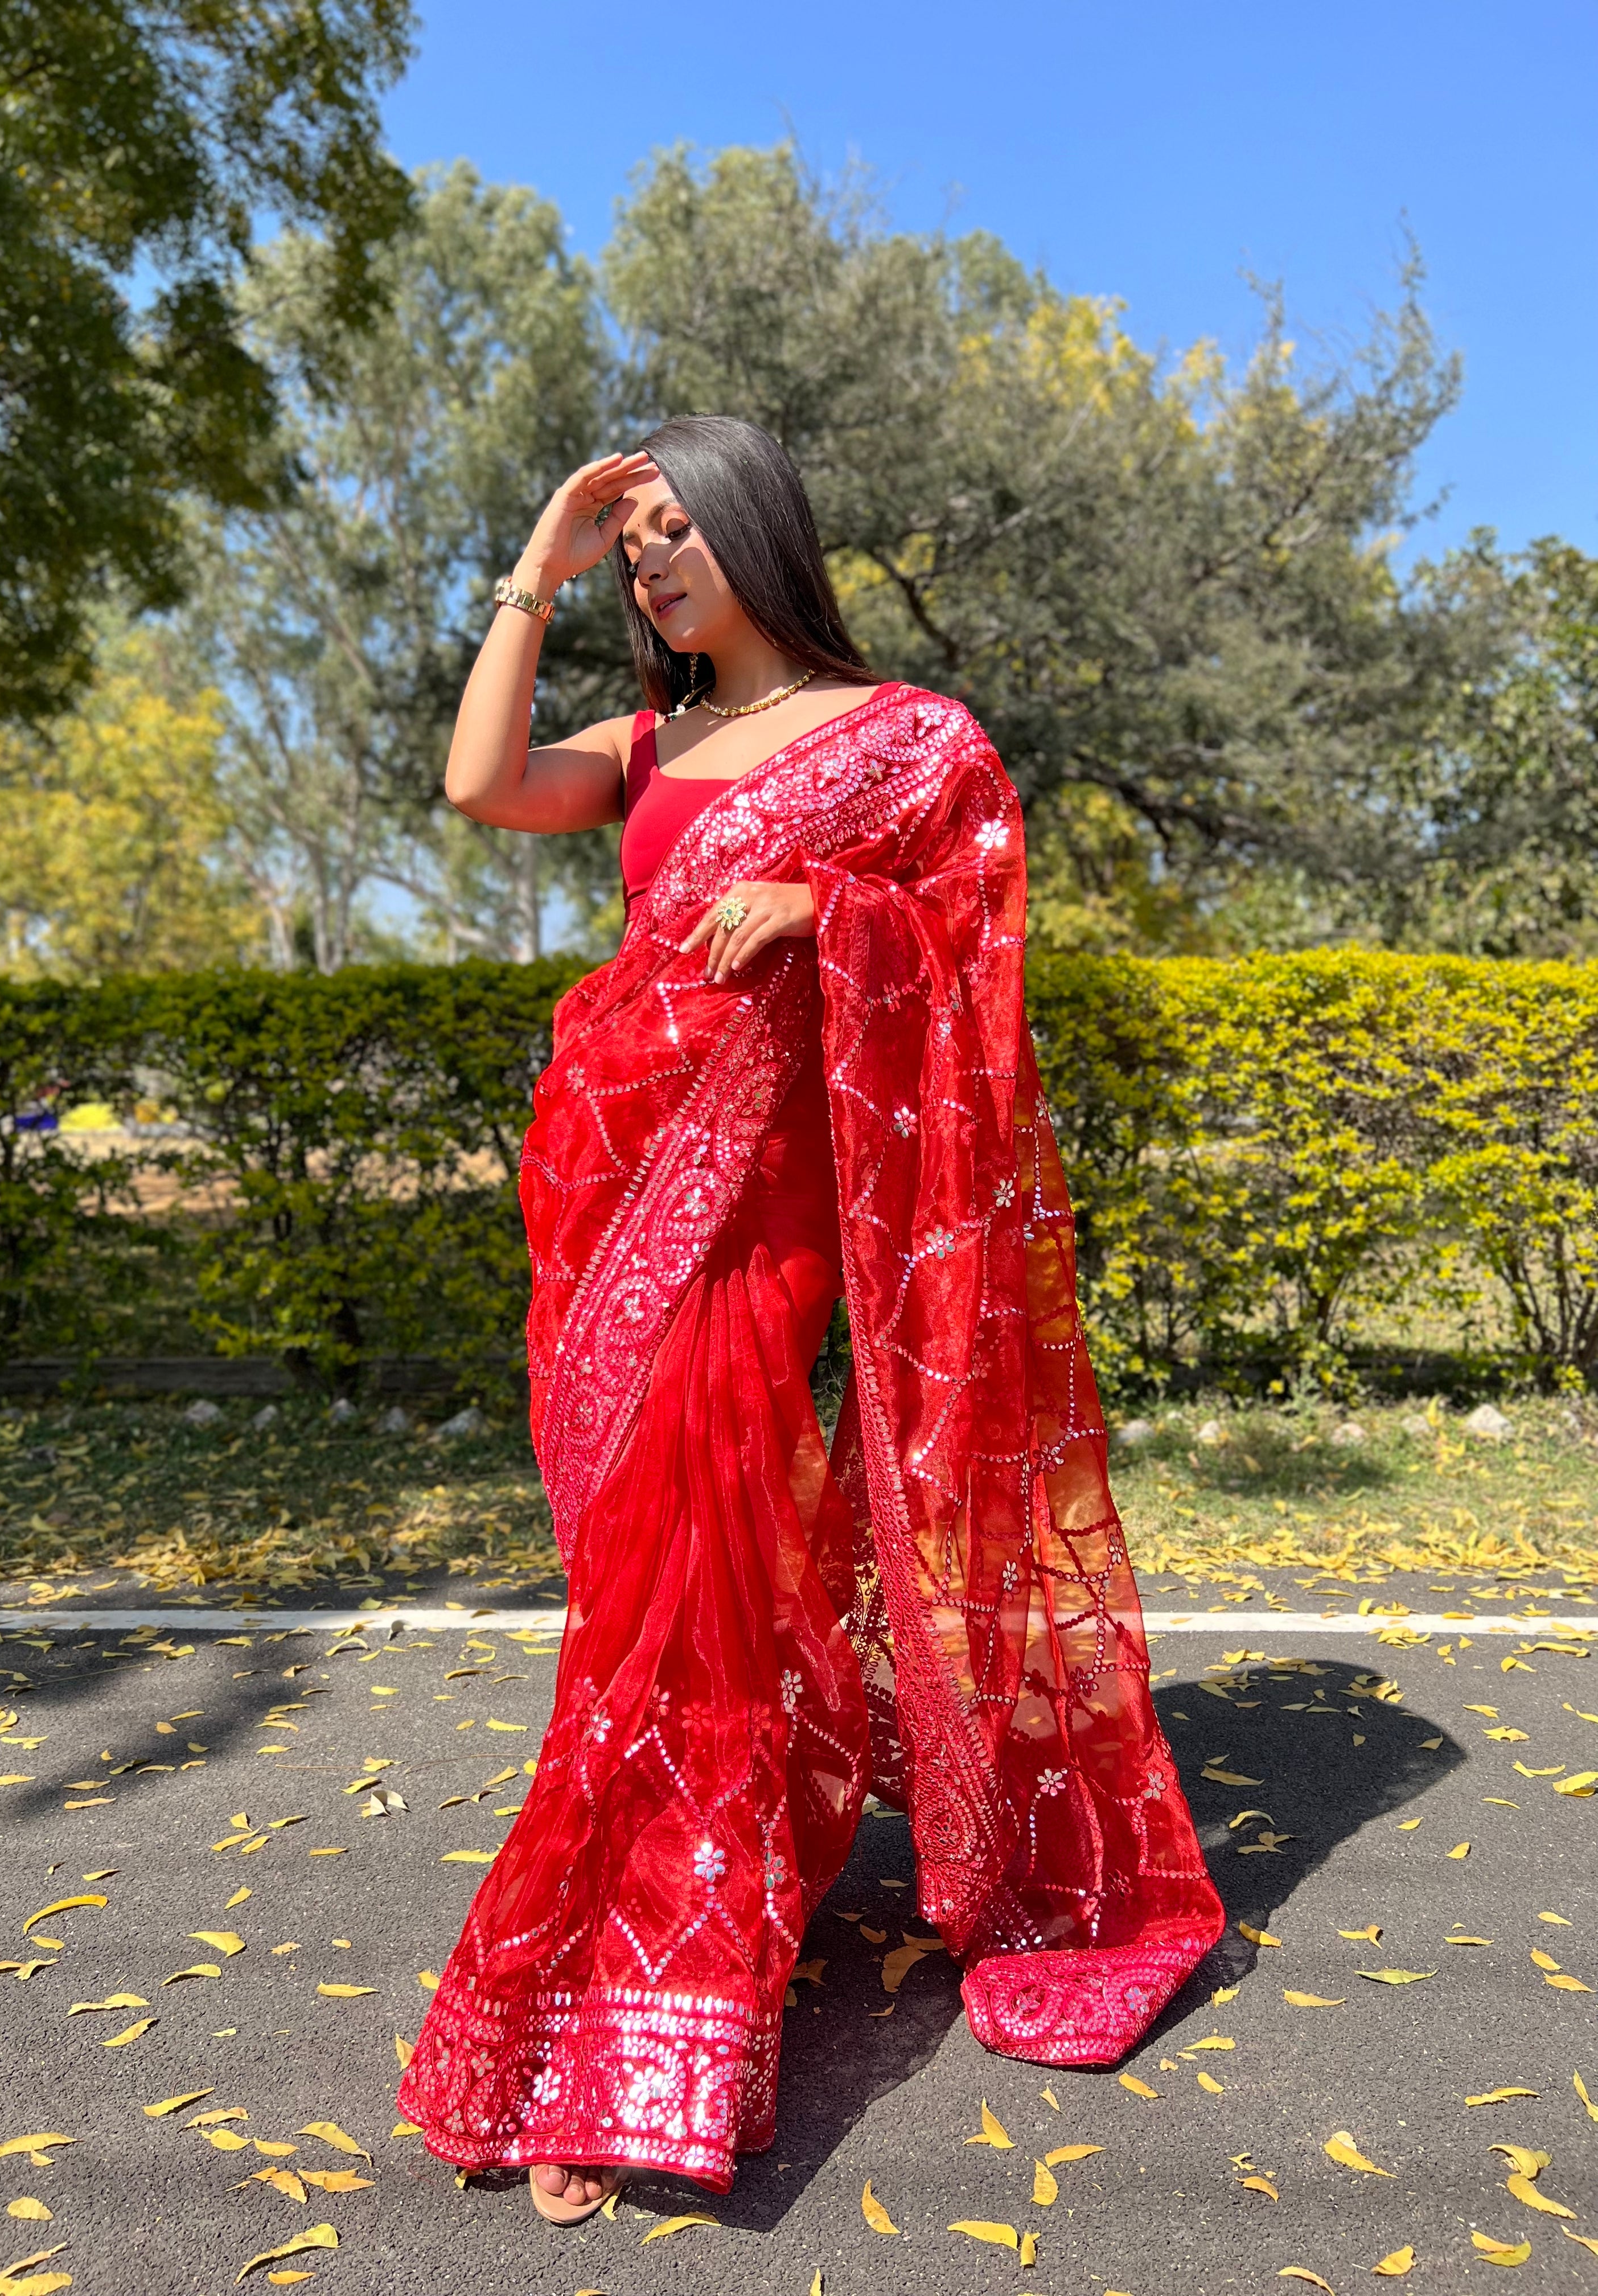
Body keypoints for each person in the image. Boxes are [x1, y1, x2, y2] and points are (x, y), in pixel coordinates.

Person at [398, 416, 1223, 2223]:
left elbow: (979, 957)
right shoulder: (649, 742)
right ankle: (676, 1922)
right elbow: (474, 786)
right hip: (599, 1206)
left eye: (682, 533)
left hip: (756, 1230)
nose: (656, 564)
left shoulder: (911, 745)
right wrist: (539, 546)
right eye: (637, 550)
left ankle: (647, 2013)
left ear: (765, 536)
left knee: (697, 1604)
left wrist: (834, 903)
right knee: (636, 1593)